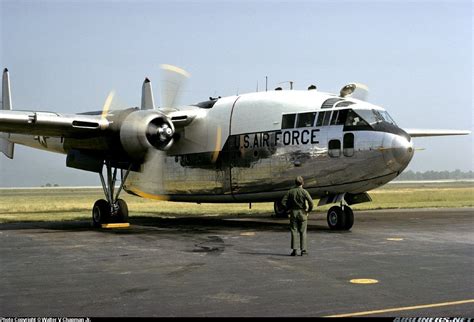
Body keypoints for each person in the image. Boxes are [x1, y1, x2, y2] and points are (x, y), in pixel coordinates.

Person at [281, 176, 314, 256]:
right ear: (303, 183)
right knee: (303, 232)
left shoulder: (290, 191)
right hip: (303, 213)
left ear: (295, 183)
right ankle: (303, 250)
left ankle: (294, 250)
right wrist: (308, 210)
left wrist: (288, 209)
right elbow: (311, 203)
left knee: (294, 231)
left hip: (293, 213)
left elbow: (283, 202)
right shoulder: (304, 192)